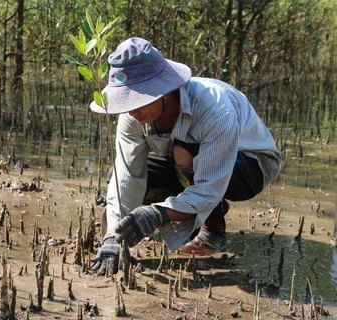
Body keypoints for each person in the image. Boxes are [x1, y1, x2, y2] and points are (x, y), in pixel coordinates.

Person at [88, 37, 282, 275]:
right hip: (187, 163)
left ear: (164, 91)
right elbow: (127, 177)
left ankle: (212, 225)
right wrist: (112, 236)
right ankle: (191, 212)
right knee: (115, 175)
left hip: (250, 167)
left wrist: (156, 214)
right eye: (126, 100)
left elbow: (210, 186)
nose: (132, 110)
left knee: (185, 152)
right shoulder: (132, 117)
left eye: (138, 99)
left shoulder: (214, 107)